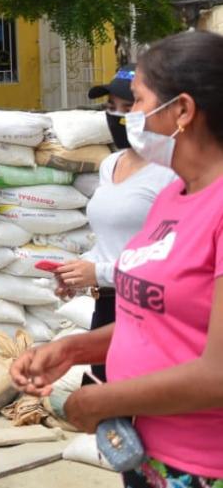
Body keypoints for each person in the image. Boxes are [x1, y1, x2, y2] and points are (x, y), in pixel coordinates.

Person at [11, 31, 223, 488]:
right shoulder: (172, 196)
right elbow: (160, 322)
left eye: (139, 101)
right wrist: (74, 349)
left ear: (183, 111)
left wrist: (100, 401)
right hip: (145, 452)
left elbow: (218, 373)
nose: (127, 118)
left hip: (204, 467)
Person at [51, 66, 176, 384]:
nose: (117, 116)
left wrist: (99, 272)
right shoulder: (110, 165)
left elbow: (171, 257)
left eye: (128, 107)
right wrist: (78, 271)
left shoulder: (172, 172)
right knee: (105, 389)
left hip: (150, 307)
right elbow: (110, 240)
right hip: (107, 304)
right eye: (110, 107)